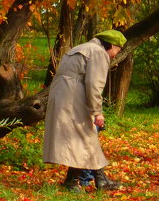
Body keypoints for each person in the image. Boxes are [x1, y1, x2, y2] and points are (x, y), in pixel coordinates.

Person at [43, 29, 127, 192]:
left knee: (86, 136)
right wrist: (97, 112)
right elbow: (94, 85)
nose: (115, 55)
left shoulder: (81, 48)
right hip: (73, 96)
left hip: (62, 94)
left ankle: (96, 180)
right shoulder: (98, 53)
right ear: (110, 44)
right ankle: (74, 182)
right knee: (85, 134)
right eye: (117, 49)